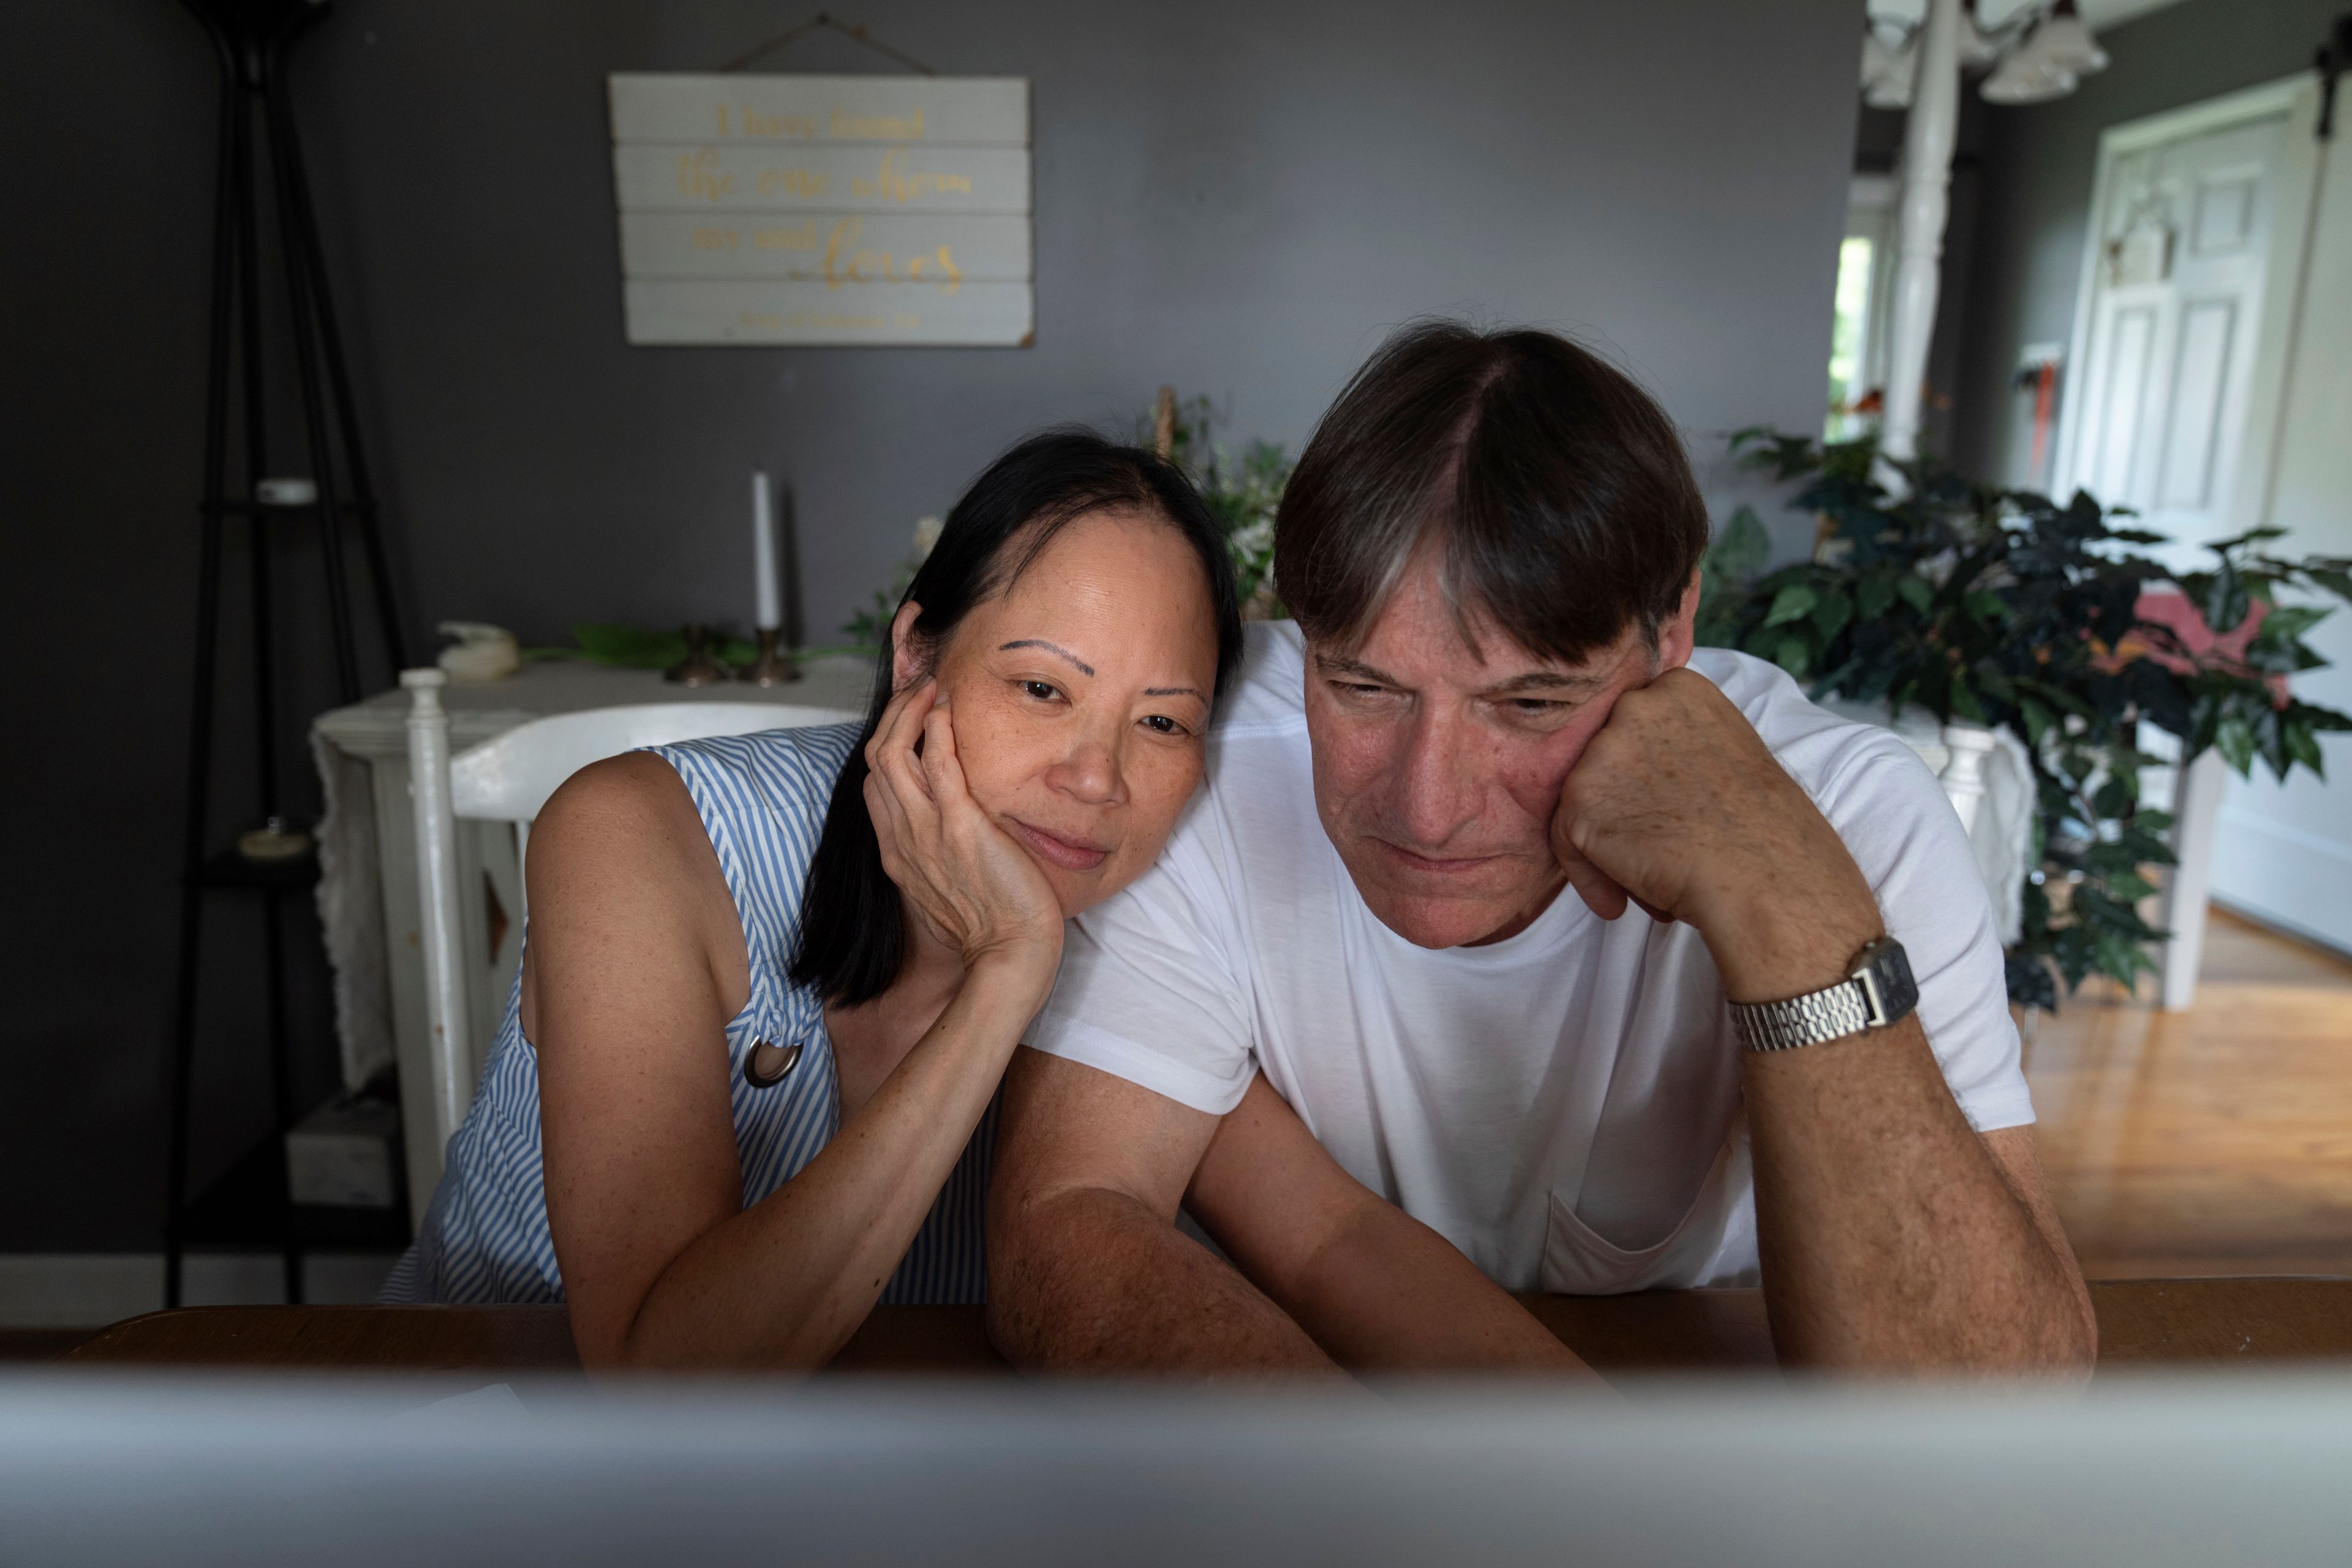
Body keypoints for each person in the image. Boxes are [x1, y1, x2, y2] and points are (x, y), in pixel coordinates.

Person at [988, 323, 2098, 1378]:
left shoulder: (1854, 812)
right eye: (1365, 688)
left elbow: (1988, 1408)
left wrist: (1786, 911)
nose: (1428, 809)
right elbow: (1068, 1229)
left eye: (1529, 704)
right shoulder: (1200, 756)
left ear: (1671, 637)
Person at [381, 431, 1245, 1371]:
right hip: (486, 1432)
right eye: (1040, 688)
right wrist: (1008, 972)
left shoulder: (1167, 925)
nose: (1094, 778)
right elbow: (659, 1382)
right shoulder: (636, 834)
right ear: (917, 657)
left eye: (1162, 721)